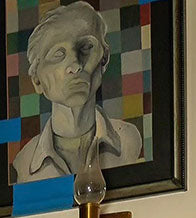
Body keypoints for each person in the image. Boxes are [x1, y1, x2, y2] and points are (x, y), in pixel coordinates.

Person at [12, 1, 143, 184]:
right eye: (58, 54)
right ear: (37, 80)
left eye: (86, 47)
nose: (75, 65)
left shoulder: (131, 140)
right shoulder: (23, 164)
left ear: (104, 59)